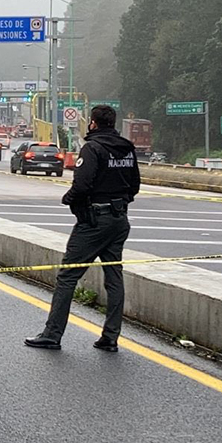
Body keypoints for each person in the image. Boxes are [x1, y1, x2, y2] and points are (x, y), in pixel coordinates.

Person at [25, 105, 140, 353]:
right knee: (114, 276)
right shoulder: (127, 149)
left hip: (94, 221)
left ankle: (52, 334)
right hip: (119, 219)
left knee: (68, 276)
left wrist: (68, 199)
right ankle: (110, 337)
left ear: (93, 124)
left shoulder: (93, 148)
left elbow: (82, 185)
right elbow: (135, 186)